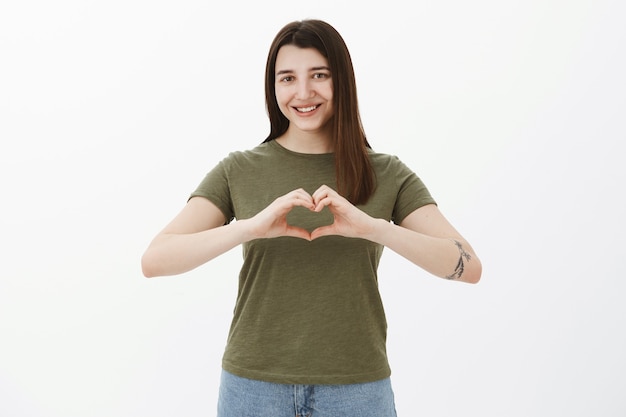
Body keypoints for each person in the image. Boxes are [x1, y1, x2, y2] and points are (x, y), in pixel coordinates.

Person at [141, 18, 481, 417]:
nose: (303, 92)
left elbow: (469, 266)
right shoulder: (240, 169)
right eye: (287, 78)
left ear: (342, 81)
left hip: (357, 388)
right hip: (254, 388)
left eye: (319, 75)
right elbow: (155, 260)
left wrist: (372, 228)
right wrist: (250, 228)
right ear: (274, 88)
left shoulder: (386, 173)